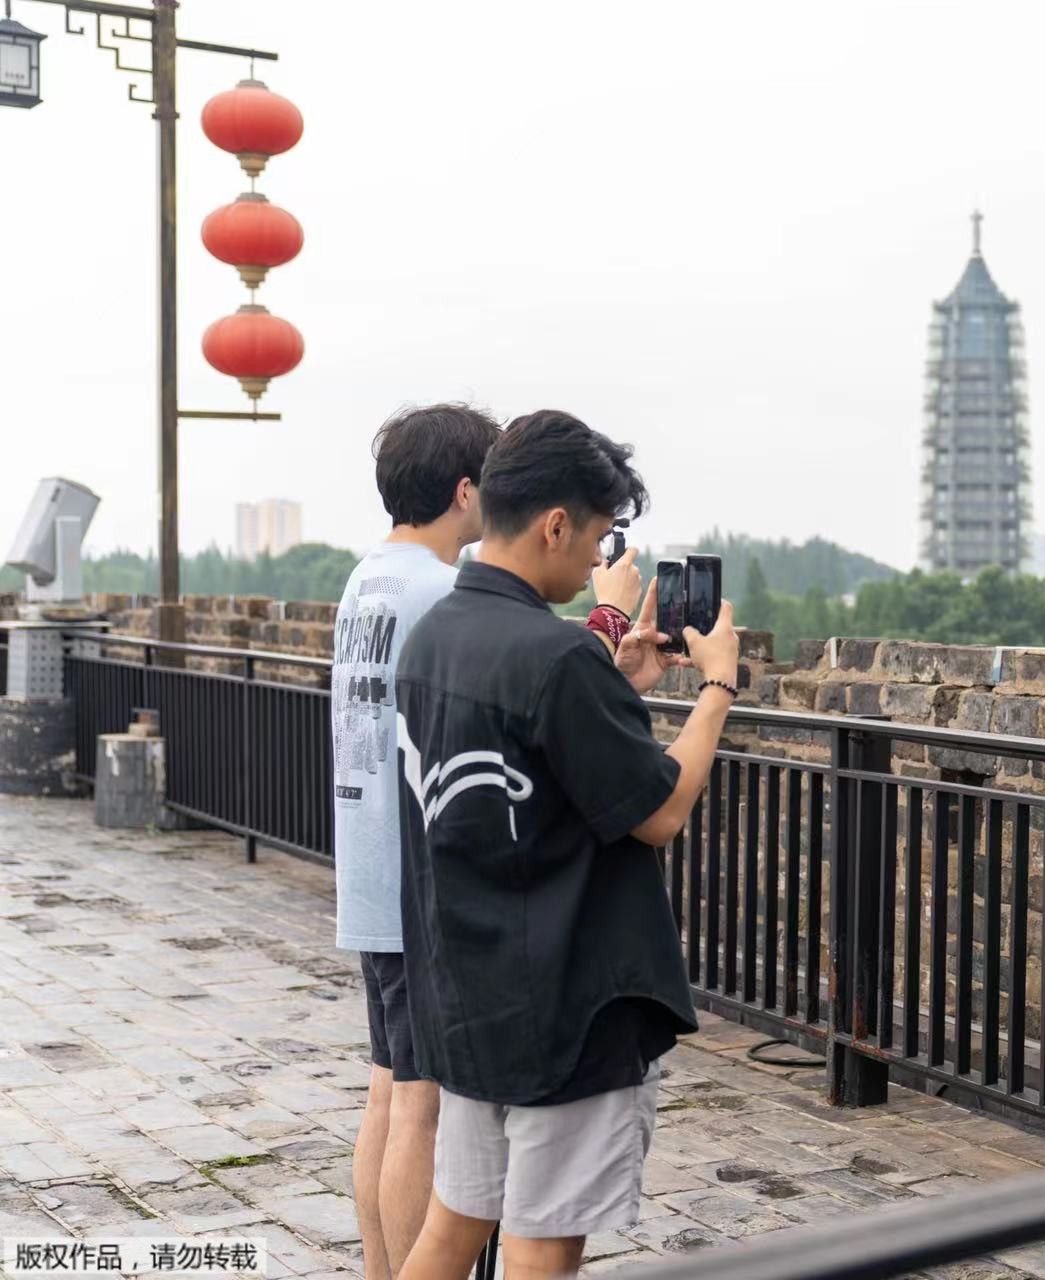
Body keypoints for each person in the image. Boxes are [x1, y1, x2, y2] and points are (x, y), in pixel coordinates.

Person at [392, 410, 740, 1280]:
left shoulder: (435, 636)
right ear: (555, 524)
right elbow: (657, 811)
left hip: (466, 992)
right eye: (594, 537)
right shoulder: (555, 658)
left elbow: (532, 769)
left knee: (456, 1223)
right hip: (564, 1007)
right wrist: (719, 690)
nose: (597, 562)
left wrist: (615, 682)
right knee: (542, 1245)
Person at [331, 403, 501, 1280]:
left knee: (387, 1091)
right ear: (466, 490)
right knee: (422, 1106)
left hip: (368, 866)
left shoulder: (368, 580)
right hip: (418, 882)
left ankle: (379, 1269)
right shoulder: (440, 591)